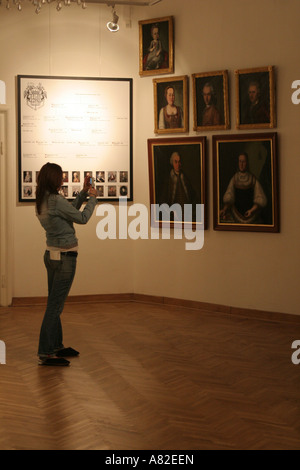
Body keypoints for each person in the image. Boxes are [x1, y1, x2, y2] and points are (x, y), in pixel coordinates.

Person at [35, 162, 97, 366]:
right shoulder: (54, 200)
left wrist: (83, 193)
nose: (63, 180)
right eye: (60, 176)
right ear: (53, 178)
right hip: (64, 258)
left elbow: (68, 210)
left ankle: (56, 346)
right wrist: (93, 198)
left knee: (54, 303)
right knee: (55, 306)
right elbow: (81, 217)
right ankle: (45, 352)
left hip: (51, 255)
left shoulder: (43, 199)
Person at [219, 152, 267, 224]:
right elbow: (229, 196)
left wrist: (251, 210)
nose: (241, 164)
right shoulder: (234, 178)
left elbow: (260, 198)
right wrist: (224, 209)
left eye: (243, 161)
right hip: (236, 213)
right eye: (240, 161)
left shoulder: (252, 179)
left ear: (247, 163)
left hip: (251, 214)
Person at [160, 151, 196, 222]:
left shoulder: (185, 177)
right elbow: (164, 200)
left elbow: (193, 196)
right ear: (172, 163)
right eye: (175, 162)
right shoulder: (168, 180)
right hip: (174, 214)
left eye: (179, 162)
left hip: (187, 213)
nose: (178, 164)